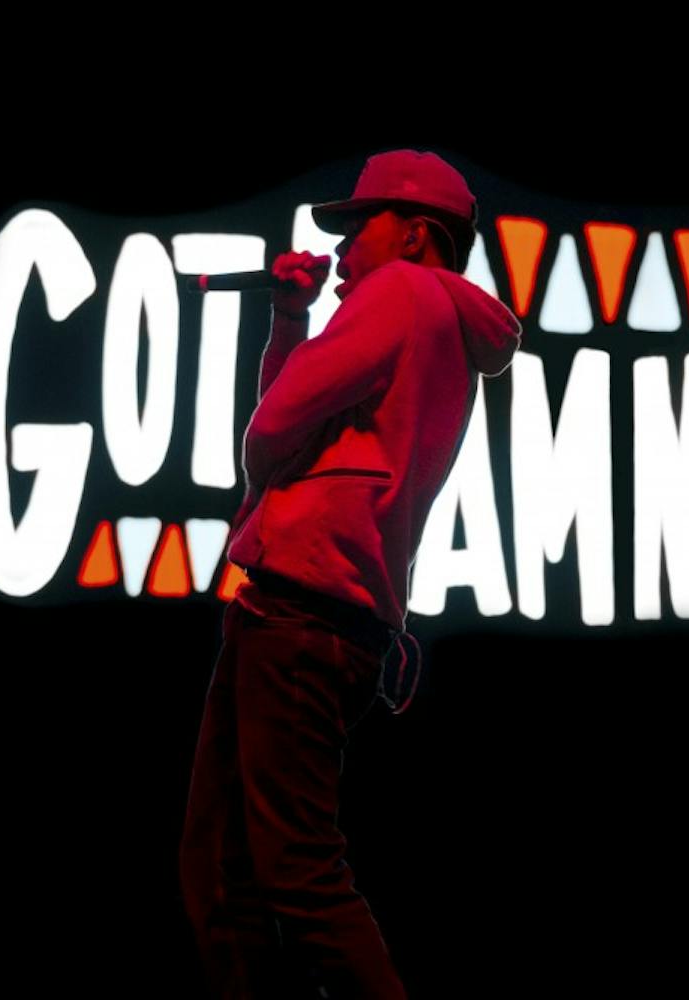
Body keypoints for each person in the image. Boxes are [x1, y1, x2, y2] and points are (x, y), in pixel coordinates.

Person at [180, 150, 521, 998]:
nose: (339, 248)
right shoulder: (437, 318)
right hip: (322, 617)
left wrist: (266, 479)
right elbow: (292, 416)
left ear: (412, 235)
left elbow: (273, 424)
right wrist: (291, 320)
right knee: (227, 864)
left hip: (301, 612)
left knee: (286, 872)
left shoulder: (399, 292)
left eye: (357, 226)